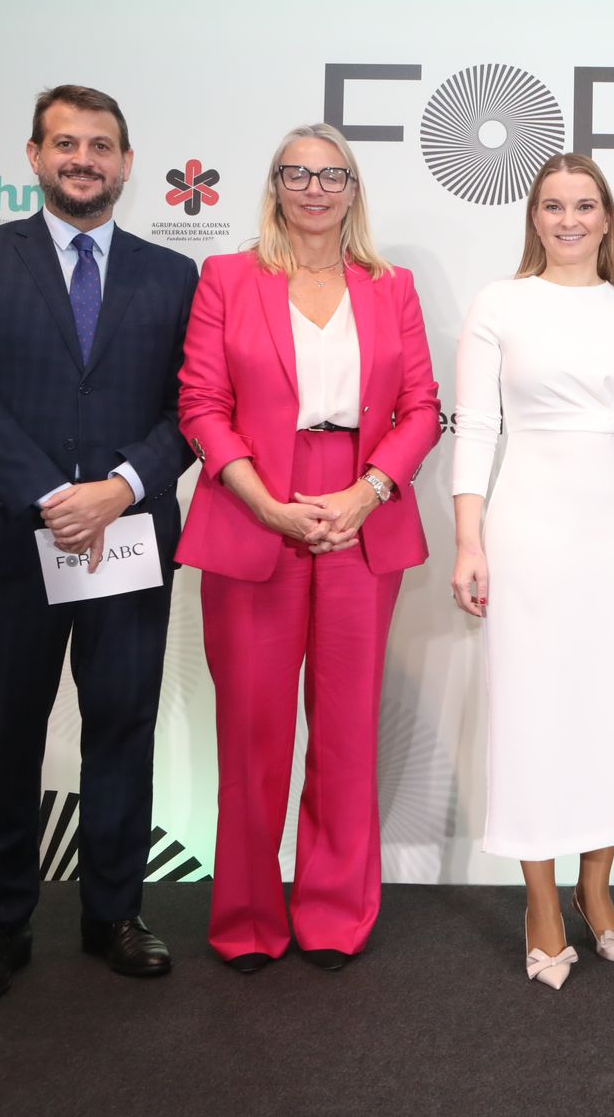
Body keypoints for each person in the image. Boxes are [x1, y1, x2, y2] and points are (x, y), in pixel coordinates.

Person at [0, 84, 198, 1009]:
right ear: (34, 156)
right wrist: (51, 497)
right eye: (66, 143)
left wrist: (119, 488)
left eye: (102, 145)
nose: (85, 159)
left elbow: (189, 412)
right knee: (4, 737)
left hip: (127, 539)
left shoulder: (173, 277)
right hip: (7, 539)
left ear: (126, 163)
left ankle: (113, 913)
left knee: (121, 727)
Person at [176, 123, 441, 973]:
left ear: (354, 190)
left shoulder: (389, 285)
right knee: (252, 732)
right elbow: (201, 405)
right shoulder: (227, 277)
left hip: (362, 510)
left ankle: (333, 911)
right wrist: (267, 503)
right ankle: (249, 917)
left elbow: (423, 409)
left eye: (333, 175)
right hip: (254, 506)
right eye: (299, 173)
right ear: (276, 185)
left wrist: (367, 493)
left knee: (346, 728)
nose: (315, 188)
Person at [450, 152, 614, 990]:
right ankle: (541, 901)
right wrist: (470, 541)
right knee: (534, 711)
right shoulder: (500, 303)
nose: (570, 219)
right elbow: (476, 428)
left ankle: (597, 889)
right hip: (531, 529)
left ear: (608, 218)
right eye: (554, 205)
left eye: (586, 205)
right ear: (534, 217)